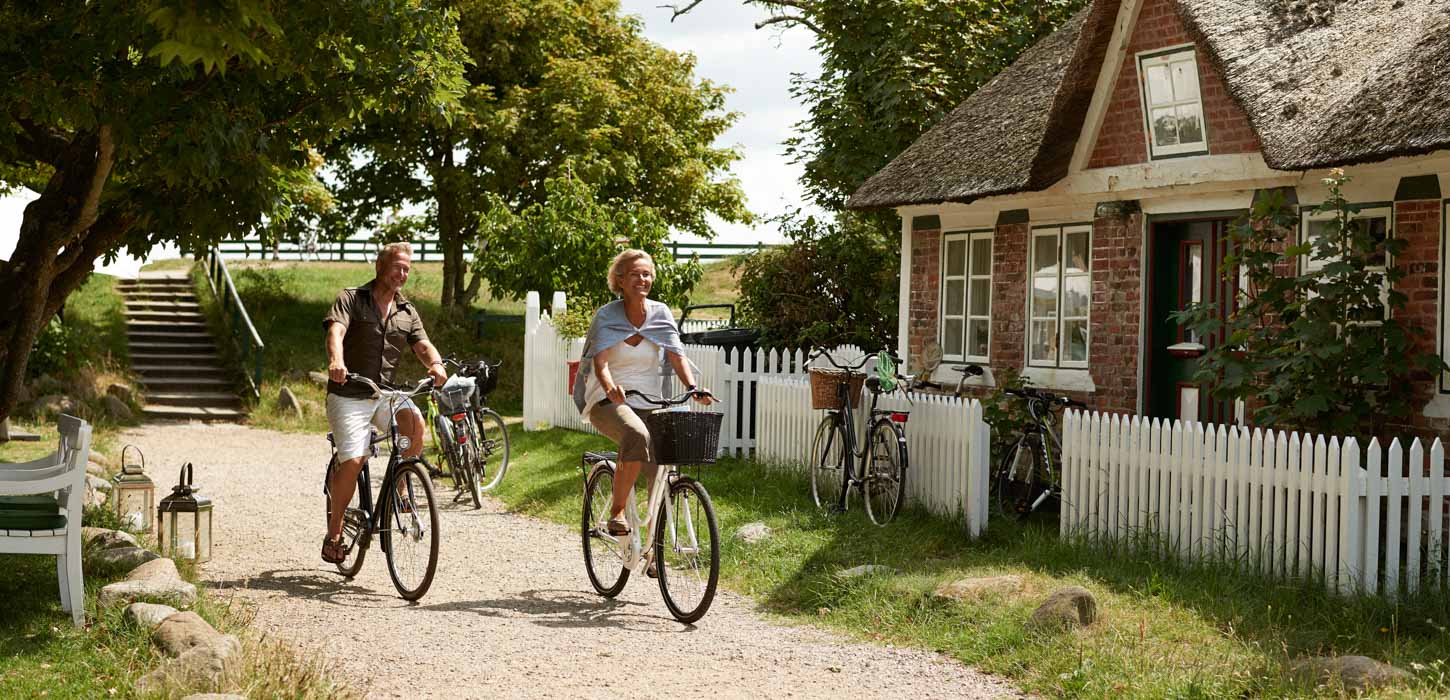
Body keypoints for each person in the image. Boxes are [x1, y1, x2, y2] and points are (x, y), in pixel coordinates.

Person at [573, 249, 714, 543]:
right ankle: (617, 512)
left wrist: (692, 387)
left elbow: (677, 356)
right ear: (620, 280)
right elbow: (601, 363)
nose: (643, 279)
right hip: (608, 400)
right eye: (636, 273)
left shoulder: (660, 313)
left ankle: (654, 548)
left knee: (662, 466)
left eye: (647, 273)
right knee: (637, 435)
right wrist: (611, 387)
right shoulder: (606, 316)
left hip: (651, 400)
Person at [321, 242, 447, 563]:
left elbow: (423, 346)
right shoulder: (352, 298)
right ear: (381, 267)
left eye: (406, 269)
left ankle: (401, 489)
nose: (402, 274)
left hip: (385, 393)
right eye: (397, 267)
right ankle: (334, 534)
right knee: (354, 459)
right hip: (349, 392)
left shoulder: (407, 311)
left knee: (415, 423)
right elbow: (336, 332)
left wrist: (436, 365)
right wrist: (337, 361)